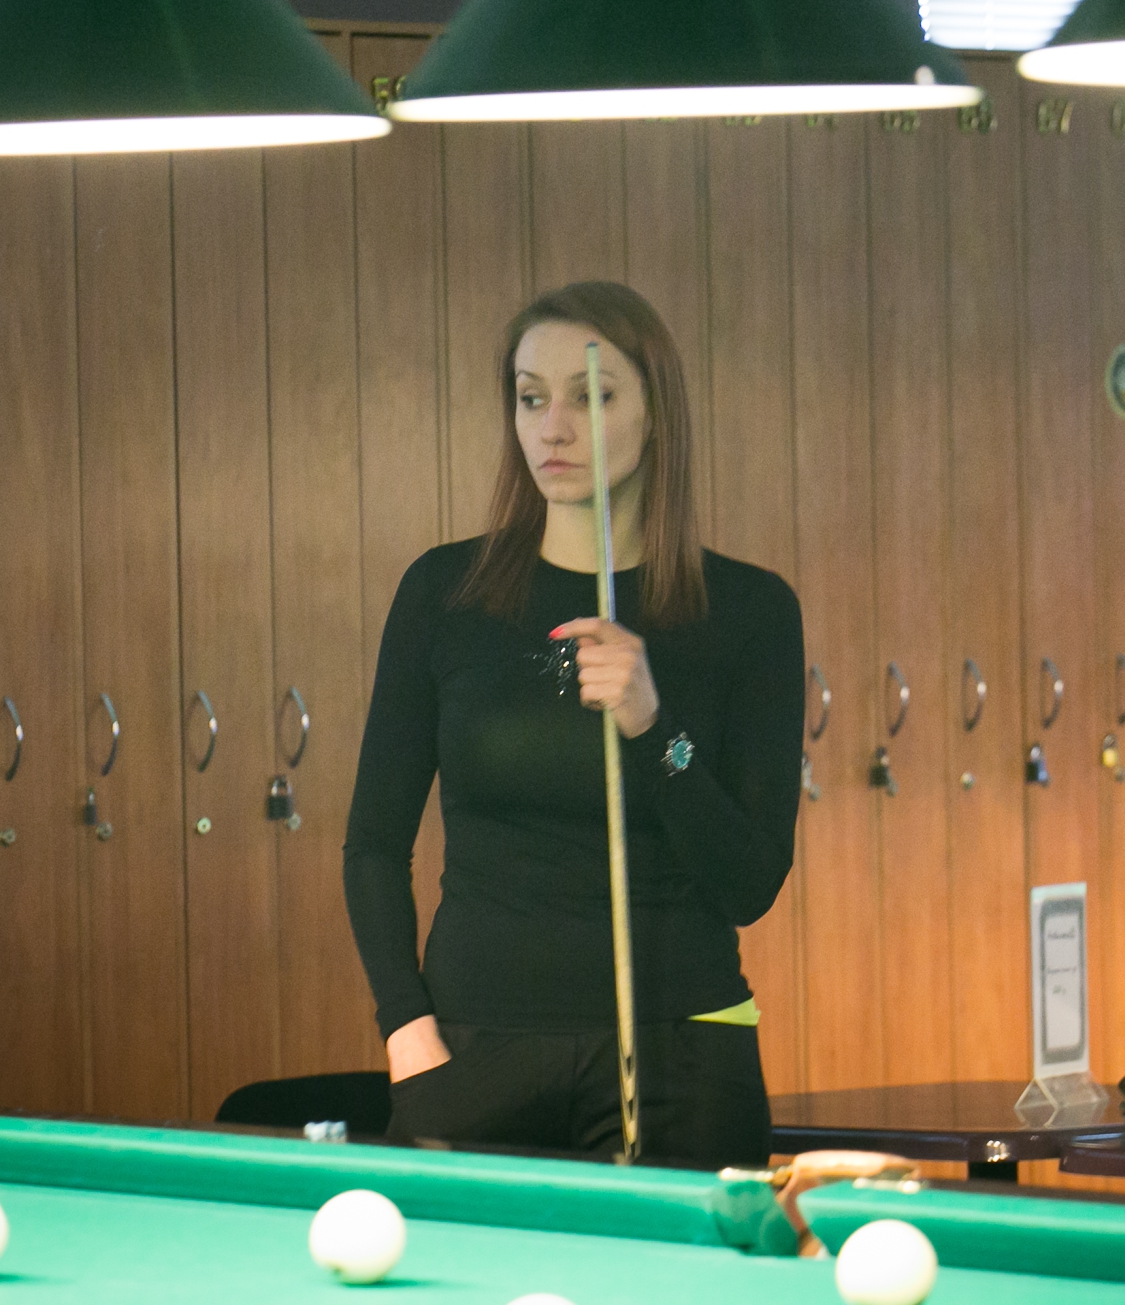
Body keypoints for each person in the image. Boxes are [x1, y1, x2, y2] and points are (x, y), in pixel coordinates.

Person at [343, 279, 803, 1169]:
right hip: (472, 1055)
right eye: (531, 398)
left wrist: (653, 727)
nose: (552, 428)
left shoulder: (747, 613)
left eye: (591, 397)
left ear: (655, 415)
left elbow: (750, 882)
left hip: (681, 1057)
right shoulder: (444, 596)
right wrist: (407, 1031)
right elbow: (372, 845)